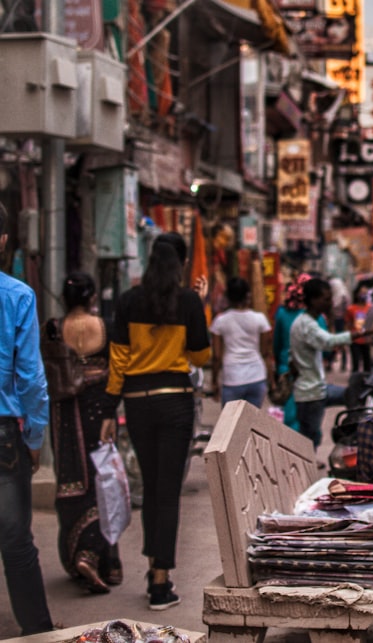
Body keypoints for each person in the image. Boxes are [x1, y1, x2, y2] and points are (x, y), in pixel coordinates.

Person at [105, 232, 211, 610]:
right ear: (182, 265)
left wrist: (108, 410)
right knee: (168, 492)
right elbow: (200, 357)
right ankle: (160, 582)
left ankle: (155, 568)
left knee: (151, 487)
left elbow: (117, 360)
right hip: (175, 405)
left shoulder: (129, 300)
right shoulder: (186, 302)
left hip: (136, 404)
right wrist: (199, 305)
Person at [44, 272, 122, 594]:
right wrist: (111, 412)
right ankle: (96, 557)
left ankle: (80, 556)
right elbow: (117, 369)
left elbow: (42, 370)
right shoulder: (103, 327)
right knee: (104, 480)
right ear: (91, 298)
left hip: (64, 414)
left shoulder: (52, 328)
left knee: (72, 481)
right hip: (97, 410)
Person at [0, 203, 54, 635]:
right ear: (3, 241)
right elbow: (31, 379)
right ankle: (38, 631)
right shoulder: (16, 295)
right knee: (16, 541)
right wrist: (35, 437)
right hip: (4, 437)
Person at [290, 278, 373, 449]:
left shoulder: (309, 321)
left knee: (354, 393)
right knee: (310, 439)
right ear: (313, 300)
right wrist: (361, 333)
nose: (330, 302)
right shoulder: (306, 325)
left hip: (315, 387)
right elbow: (329, 342)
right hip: (311, 393)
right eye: (326, 299)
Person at [210, 277, 273, 409]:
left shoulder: (220, 321)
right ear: (247, 295)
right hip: (257, 376)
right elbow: (266, 353)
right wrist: (271, 380)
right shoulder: (260, 319)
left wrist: (214, 381)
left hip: (232, 378)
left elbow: (216, 356)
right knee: (251, 425)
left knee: (230, 425)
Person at [272, 273, 311, 430]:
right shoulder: (313, 315)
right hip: (309, 372)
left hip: (286, 369)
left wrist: (277, 366)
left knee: (290, 417)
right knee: (307, 419)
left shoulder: (281, 313)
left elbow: (277, 343)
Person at [346, 282, 372, 373]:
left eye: (365, 293)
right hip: (355, 340)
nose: (363, 295)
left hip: (367, 340)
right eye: (361, 293)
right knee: (356, 364)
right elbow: (348, 324)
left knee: (367, 364)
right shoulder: (351, 308)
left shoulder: (370, 307)